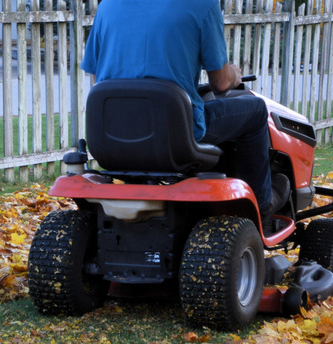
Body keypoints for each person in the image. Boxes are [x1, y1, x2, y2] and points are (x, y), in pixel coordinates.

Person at [80, 0, 289, 226]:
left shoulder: (108, 6)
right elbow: (220, 82)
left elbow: (96, 78)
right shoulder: (202, 5)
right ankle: (261, 206)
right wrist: (234, 75)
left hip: (112, 138)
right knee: (256, 110)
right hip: (175, 135)